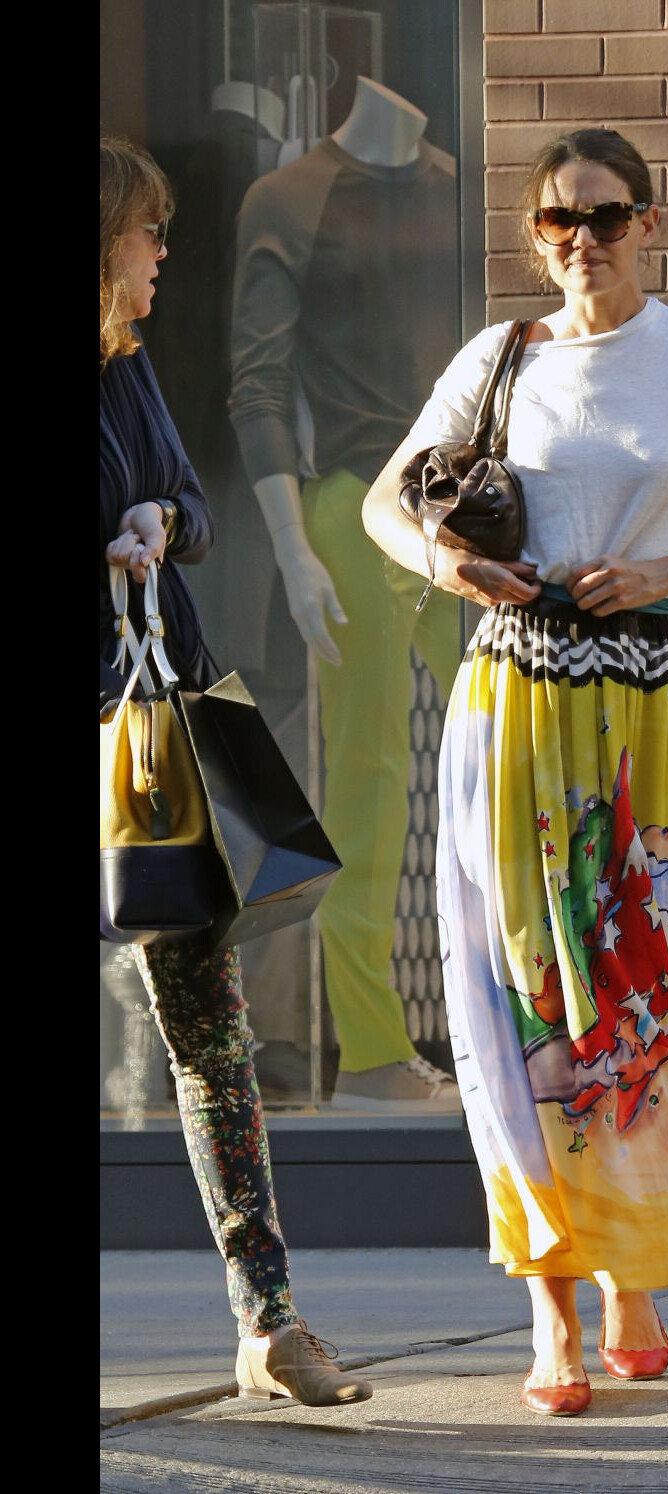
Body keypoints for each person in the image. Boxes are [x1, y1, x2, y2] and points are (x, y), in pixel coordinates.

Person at [362, 127, 668, 1415]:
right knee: (525, 988)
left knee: (648, 990)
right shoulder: (498, 358)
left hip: (650, 706)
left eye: (607, 218)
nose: (583, 244)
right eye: (558, 224)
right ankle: (551, 1310)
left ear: (651, 224)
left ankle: (635, 1267)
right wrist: (449, 567)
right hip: (515, 695)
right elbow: (385, 506)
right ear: (534, 237)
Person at [100, 134, 372, 1407]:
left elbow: (196, 504)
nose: (164, 255)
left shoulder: (130, 365)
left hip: (159, 732)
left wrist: (163, 523)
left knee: (212, 1032)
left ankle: (267, 1323)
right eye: (148, 234)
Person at [227, 76, 464, 1112]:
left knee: (512, 757)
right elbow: (260, 382)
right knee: (370, 776)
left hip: (471, 516)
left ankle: (534, 1024)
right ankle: (370, 1049)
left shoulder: (470, 189)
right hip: (357, 514)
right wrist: (291, 548)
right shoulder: (291, 194)